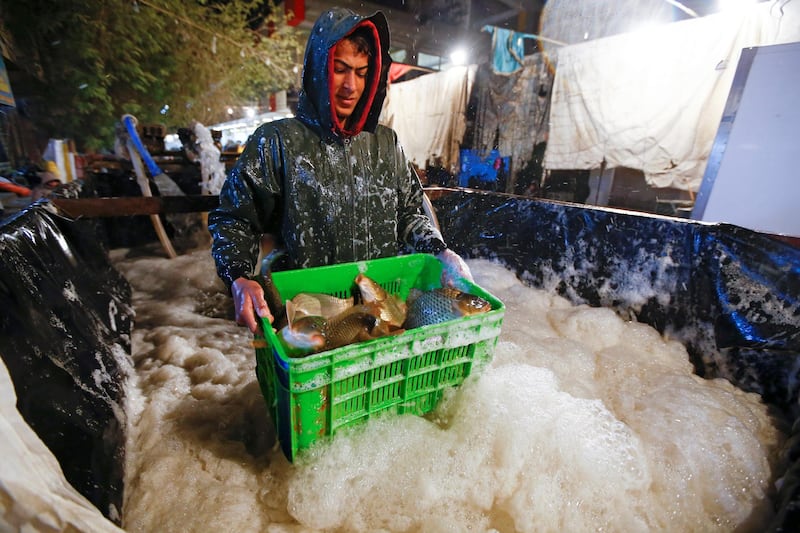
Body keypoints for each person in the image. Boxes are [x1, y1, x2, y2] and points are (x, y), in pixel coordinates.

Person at [208, 7, 473, 334]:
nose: (351, 85)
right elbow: (235, 219)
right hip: (305, 317)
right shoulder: (276, 142)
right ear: (318, 69)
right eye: (340, 69)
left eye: (362, 73)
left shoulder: (385, 143)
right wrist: (239, 277)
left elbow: (408, 212)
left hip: (377, 310)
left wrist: (439, 250)